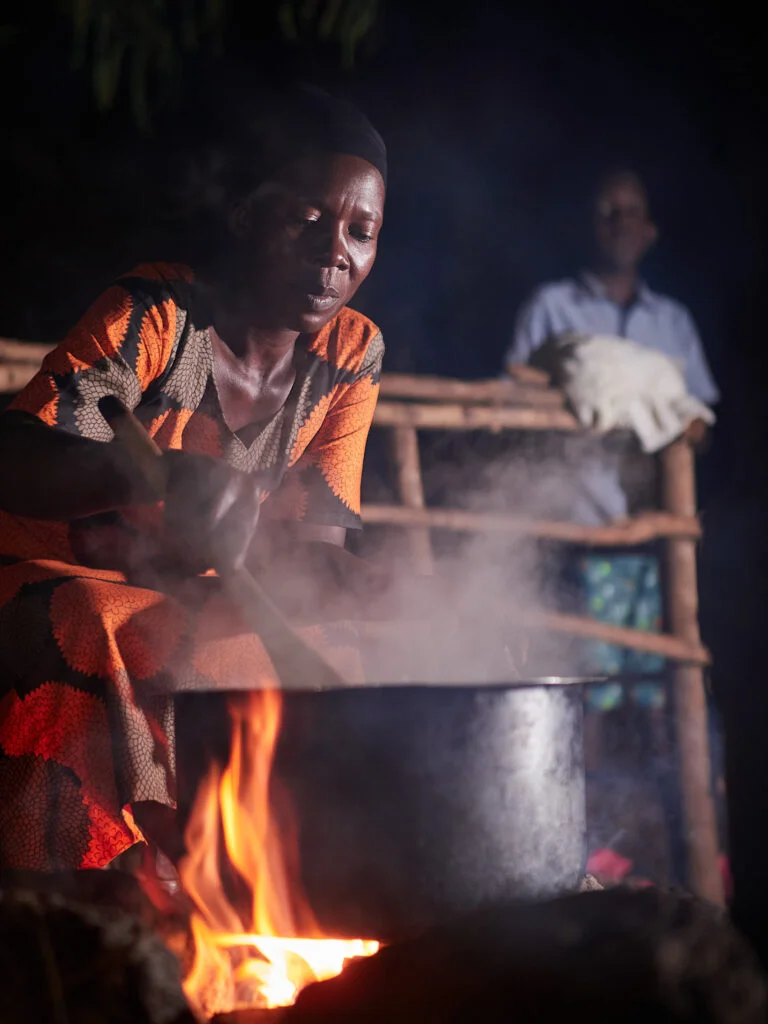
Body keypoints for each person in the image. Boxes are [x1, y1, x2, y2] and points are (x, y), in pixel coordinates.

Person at [0, 83, 388, 872]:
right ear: (246, 214)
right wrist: (147, 475)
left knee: (344, 640)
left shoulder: (351, 354)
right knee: (88, 616)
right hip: (47, 572)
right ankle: (81, 885)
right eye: (309, 218)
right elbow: (16, 459)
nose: (334, 252)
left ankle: (250, 880)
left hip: (181, 590)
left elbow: (314, 550)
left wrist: (387, 590)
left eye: (361, 231)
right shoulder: (156, 314)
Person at [505, 169, 719, 720]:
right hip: (575, 533)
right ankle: (587, 803)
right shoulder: (552, 308)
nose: (619, 222)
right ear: (588, 227)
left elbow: (699, 415)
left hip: (655, 540)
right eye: (607, 211)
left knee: (655, 692)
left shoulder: (672, 321)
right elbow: (509, 408)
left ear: (650, 231)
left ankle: (655, 801)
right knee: (586, 693)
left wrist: (665, 430)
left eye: (631, 212)